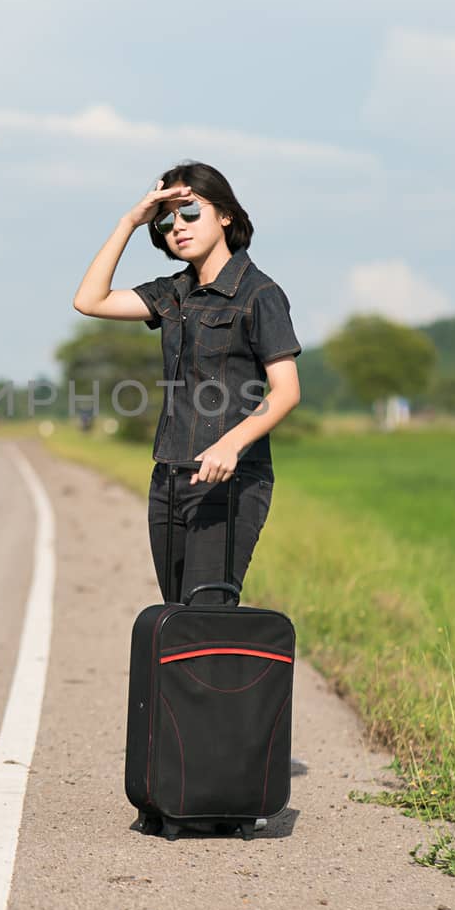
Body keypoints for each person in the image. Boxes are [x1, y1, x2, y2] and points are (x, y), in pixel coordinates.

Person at [72, 161, 304, 605]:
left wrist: (230, 445)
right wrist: (129, 222)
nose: (177, 226)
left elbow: (287, 391)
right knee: (179, 617)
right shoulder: (173, 293)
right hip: (169, 479)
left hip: (229, 481)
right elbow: (89, 300)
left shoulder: (259, 294)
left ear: (225, 215)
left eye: (190, 212)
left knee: (206, 615)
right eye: (166, 220)